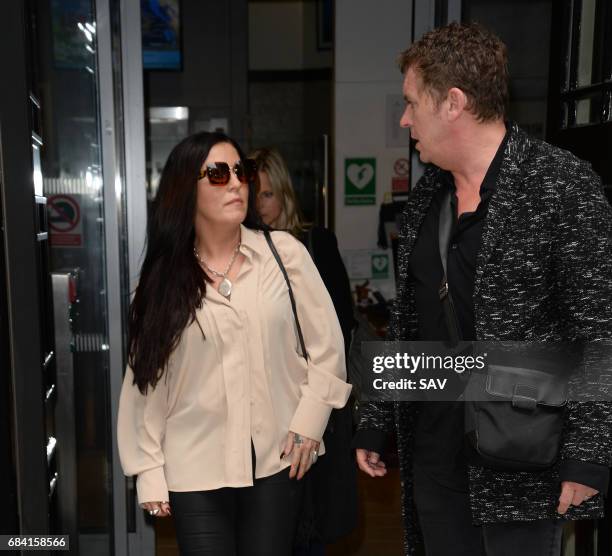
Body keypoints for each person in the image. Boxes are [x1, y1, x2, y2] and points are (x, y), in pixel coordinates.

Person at [353, 22, 612, 556]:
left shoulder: (561, 184)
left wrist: (589, 456)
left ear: (453, 102)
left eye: (410, 103)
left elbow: (598, 329)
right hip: (434, 451)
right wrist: (376, 420)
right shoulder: (427, 197)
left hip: (523, 456)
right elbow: (411, 320)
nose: (404, 120)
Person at [117, 131, 352, 556]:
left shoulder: (286, 255)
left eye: (241, 172)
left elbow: (328, 348)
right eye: (218, 174)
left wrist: (310, 423)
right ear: (185, 189)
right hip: (195, 467)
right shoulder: (160, 282)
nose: (237, 183)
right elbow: (147, 382)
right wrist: (148, 467)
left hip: (279, 461)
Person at [250, 146, 358, 551]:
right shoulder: (239, 254)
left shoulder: (314, 244)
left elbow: (340, 330)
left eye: (267, 195)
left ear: (284, 194)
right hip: (264, 424)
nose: (259, 206)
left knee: (308, 530)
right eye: (253, 195)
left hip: (314, 417)